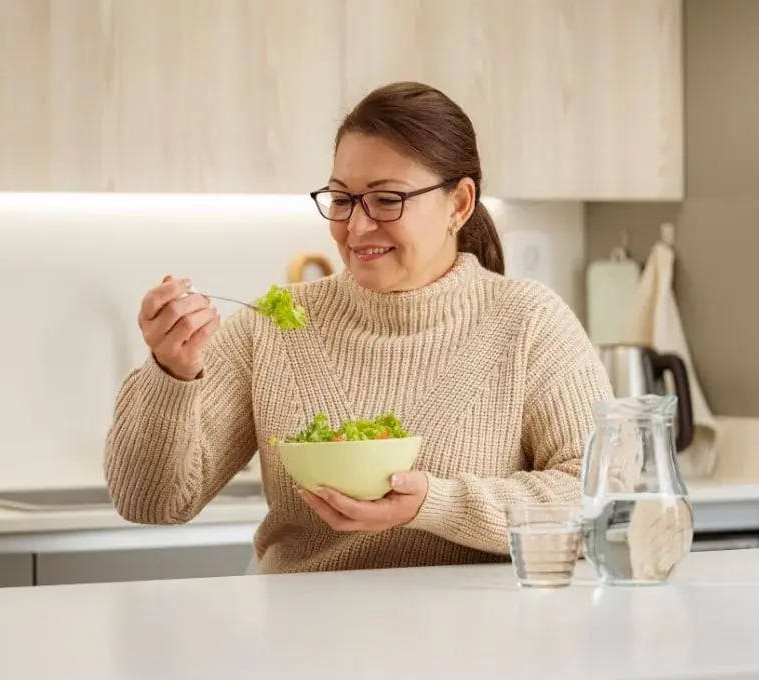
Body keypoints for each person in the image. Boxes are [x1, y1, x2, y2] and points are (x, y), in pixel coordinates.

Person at [103, 81, 613, 574]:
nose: (357, 226)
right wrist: (170, 373)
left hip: (478, 643)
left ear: (458, 203)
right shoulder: (273, 328)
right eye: (342, 199)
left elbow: (598, 493)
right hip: (301, 641)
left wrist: (433, 504)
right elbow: (150, 503)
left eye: (387, 199)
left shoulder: (528, 321)